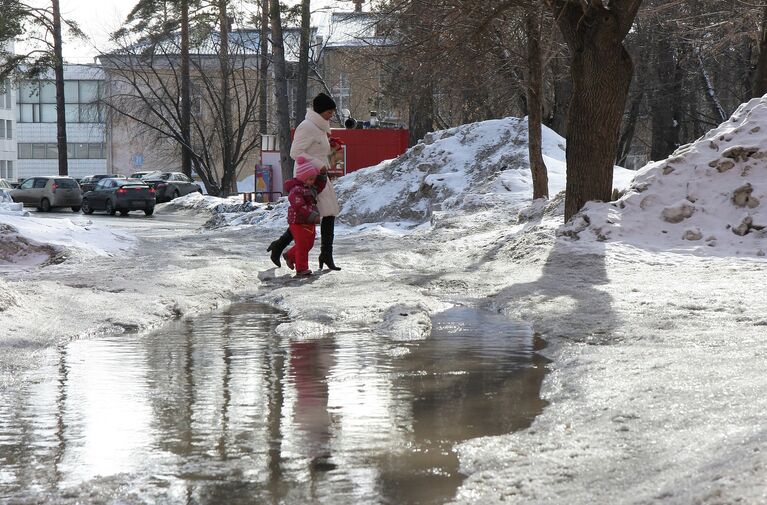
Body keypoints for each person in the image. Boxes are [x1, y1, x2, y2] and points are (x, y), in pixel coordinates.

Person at [267, 92, 342, 271]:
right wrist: (317, 164)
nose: (332, 114)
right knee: (306, 217)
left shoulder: (320, 127)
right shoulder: (307, 126)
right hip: (308, 177)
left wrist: (330, 147)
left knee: (328, 213)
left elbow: (316, 148)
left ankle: (325, 254)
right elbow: (295, 152)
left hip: (319, 177)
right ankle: (282, 247)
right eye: (329, 111)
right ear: (320, 110)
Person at [283, 156, 325, 277]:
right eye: (311, 179)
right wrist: (313, 216)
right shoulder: (296, 190)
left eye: (314, 179)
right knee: (302, 244)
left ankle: (290, 255)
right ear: (303, 178)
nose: (313, 181)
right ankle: (301, 269)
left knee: (309, 243)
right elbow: (299, 207)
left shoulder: (310, 188)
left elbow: (320, 186)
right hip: (297, 221)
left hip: (309, 220)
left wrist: (322, 176)